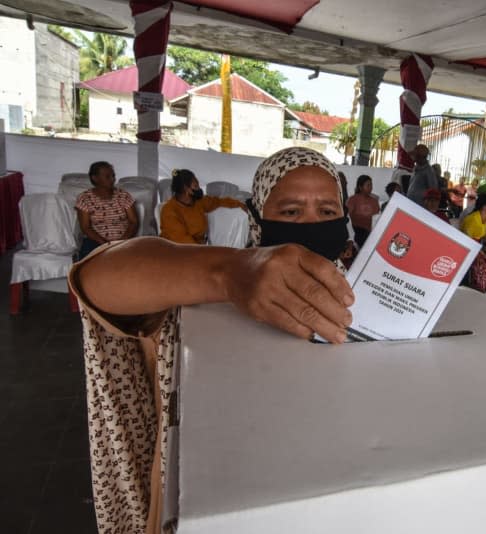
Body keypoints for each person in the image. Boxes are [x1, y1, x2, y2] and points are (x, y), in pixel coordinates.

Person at [68, 147, 354, 534]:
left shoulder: (368, 301)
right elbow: (96, 277)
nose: (310, 223)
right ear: (257, 216)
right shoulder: (212, 288)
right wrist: (227, 273)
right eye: (289, 212)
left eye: (326, 212)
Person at [159, 169, 245, 244]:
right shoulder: (169, 211)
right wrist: (206, 254)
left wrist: (241, 205)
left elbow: (218, 201)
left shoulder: (198, 202)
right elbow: (183, 241)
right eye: (196, 186)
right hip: (177, 252)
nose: (199, 189)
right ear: (186, 189)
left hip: (197, 250)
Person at [75, 161, 138, 259]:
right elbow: (85, 227)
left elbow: (133, 222)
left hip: (123, 239)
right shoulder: (85, 198)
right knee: (89, 258)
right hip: (96, 241)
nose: (112, 179)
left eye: (113, 176)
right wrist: (104, 243)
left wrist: (121, 241)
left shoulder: (123, 196)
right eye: (107, 176)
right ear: (95, 178)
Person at [346, 174, 381, 248]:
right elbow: (347, 216)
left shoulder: (374, 200)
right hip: (357, 232)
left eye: (371, 185)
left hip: (371, 232)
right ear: (360, 187)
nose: (371, 187)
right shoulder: (353, 199)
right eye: (368, 185)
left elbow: (377, 217)